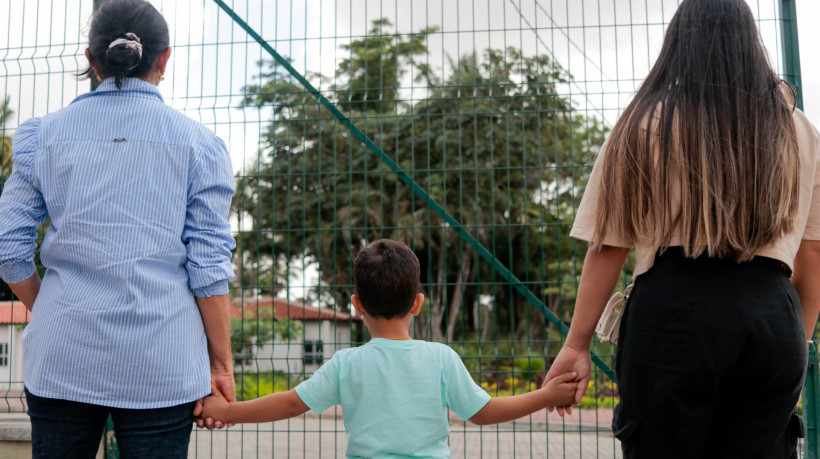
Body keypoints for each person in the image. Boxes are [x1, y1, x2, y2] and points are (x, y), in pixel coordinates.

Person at [542, 0, 820, 458]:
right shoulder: (799, 129)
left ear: (678, 43)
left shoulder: (645, 121)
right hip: (773, 319)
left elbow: (608, 245)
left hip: (674, 316)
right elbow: (812, 257)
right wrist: (796, 345)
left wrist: (577, 344)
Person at [0, 0, 236, 457]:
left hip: (61, 357)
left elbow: (8, 249)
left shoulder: (40, 137)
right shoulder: (200, 146)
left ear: (91, 60)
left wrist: (50, 307)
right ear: (164, 59)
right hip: (163, 360)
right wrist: (221, 365)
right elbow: (208, 269)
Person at [197, 239, 577, 457]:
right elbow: (486, 412)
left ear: (356, 305)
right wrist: (545, 395)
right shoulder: (441, 358)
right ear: (418, 304)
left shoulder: (346, 364)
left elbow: (289, 403)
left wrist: (228, 410)